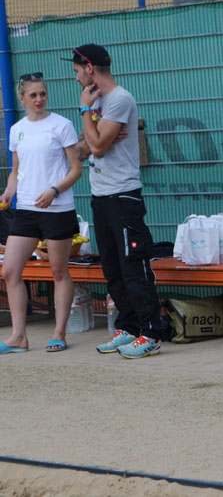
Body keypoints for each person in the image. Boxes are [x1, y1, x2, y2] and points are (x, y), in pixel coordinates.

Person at [66, 43, 167, 358]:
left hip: (123, 196)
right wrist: (96, 132)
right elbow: (82, 149)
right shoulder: (97, 101)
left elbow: (95, 147)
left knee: (133, 266)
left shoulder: (119, 99)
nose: (76, 78)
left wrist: (87, 116)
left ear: (90, 68)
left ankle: (151, 333)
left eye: (77, 71)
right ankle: (129, 327)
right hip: (101, 196)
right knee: (112, 269)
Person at [0, 72, 83, 354]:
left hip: (57, 209)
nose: (39, 99)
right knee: (10, 271)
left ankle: (59, 333)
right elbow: (16, 171)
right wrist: (8, 192)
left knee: (58, 271)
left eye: (43, 94)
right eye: (33, 95)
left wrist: (54, 191)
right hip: (25, 210)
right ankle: (18, 337)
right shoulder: (17, 130)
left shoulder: (61, 125)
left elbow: (76, 169)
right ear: (22, 98)